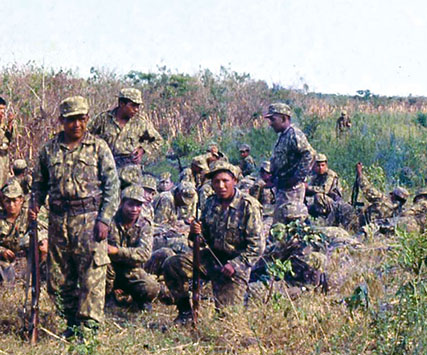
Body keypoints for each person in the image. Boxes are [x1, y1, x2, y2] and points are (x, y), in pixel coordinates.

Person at [30, 96, 119, 336]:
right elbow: (39, 184)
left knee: (92, 274)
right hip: (58, 220)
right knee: (58, 278)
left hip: (89, 219)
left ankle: (88, 328)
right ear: (61, 120)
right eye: (70, 120)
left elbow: (112, 186)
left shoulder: (99, 147)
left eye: (81, 119)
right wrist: (34, 207)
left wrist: (105, 219)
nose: (76, 125)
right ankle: (70, 323)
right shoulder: (48, 149)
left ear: (87, 119)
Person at [163, 161, 264, 323]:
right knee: (172, 264)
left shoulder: (248, 206)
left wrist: (235, 265)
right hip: (211, 258)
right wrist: (196, 232)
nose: (221, 186)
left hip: (235, 266)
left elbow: (257, 246)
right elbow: (203, 240)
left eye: (225, 181)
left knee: (227, 321)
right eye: (216, 182)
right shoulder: (211, 202)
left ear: (235, 181)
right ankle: (185, 314)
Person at [106, 185, 166, 311]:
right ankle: (107, 296)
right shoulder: (109, 220)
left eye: (138, 205)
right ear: (122, 203)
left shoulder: (145, 224)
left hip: (131, 269)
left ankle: (138, 300)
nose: (134, 209)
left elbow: (144, 254)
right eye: (130, 204)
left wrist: (117, 251)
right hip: (109, 267)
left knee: (151, 287)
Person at [0, 180, 48, 280]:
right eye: (8, 201)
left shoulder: (28, 216)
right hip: (2, 258)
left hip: (25, 258)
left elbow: (44, 231)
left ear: (21, 200)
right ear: (3, 201)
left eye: (14, 200)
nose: (11, 205)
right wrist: (1, 250)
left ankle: (42, 276)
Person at [88, 88, 162, 171]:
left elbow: (158, 140)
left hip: (130, 171)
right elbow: (84, 135)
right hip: (106, 166)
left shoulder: (140, 122)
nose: (136, 109)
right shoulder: (104, 119)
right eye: (133, 105)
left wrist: (143, 149)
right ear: (122, 104)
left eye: (138, 106)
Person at [265, 103, 316, 224]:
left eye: (273, 119)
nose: (271, 123)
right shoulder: (283, 135)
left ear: (283, 118)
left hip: (292, 189)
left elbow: (309, 154)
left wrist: (297, 177)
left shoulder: (294, 134)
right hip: (283, 186)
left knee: (292, 222)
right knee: (280, 223)